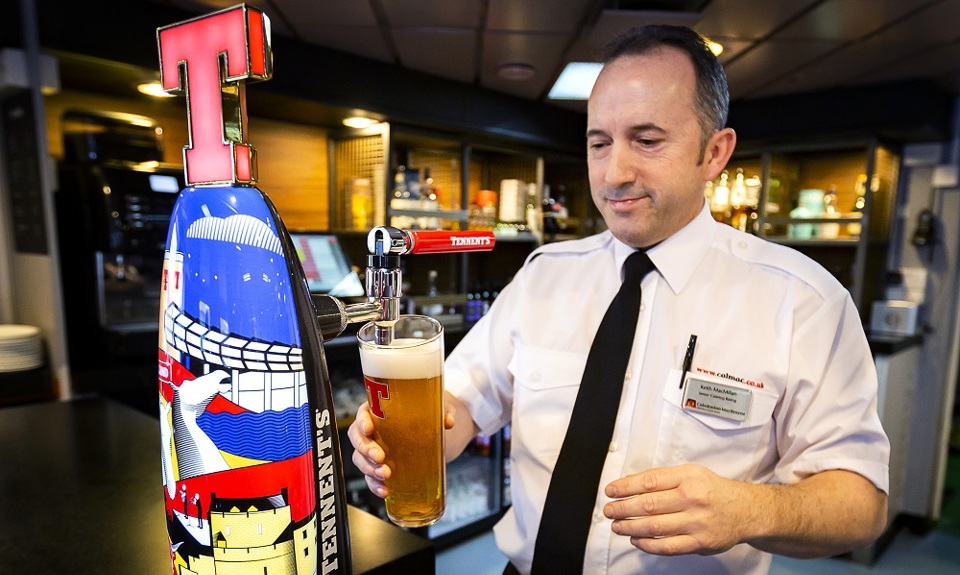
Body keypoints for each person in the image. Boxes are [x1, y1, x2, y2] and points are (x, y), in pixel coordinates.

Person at [348, 25, 889, 575]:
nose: (614, 174)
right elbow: (462, 402)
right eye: (599, 143)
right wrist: (413, 439)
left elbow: (861, 502)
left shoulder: (803, 300)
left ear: (714, 152)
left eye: (648, 140)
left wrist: (750, 509)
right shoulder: (544, 275)